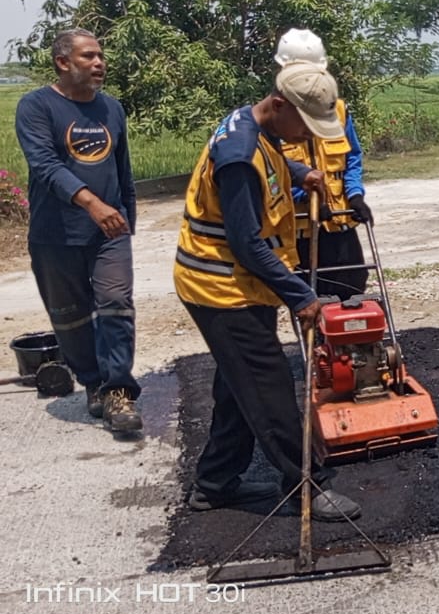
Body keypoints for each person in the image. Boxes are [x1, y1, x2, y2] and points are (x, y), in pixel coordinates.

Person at [173, 62, 360, 521]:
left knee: (238, 386)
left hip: (242, 285)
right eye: (303, 123)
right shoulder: (237, 155)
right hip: (221, 286)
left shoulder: (253, 123)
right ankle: (308, 485)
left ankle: (214, 484)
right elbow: (246, 241)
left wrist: (299, 172)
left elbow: (272, 155)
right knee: (269, 385)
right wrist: (300, 295)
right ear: (278, 104)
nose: (306, 134)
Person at [15, 28, 142, 433]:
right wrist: (92, 203)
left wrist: (126, 220)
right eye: (88, 56)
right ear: (63, 62)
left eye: (100, 55)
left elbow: (122, 170)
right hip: (56, 234)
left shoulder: (111, 110)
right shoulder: (36, 107)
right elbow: (46, 166)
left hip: (109, 231)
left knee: (116, 303)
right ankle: (94, 384)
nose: (99, 62)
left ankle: (119, 391)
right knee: (70, 317)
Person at [274, 28, 372, 300]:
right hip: (301, 225)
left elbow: (352, 156)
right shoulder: (277, 116)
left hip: (340, 221)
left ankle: (353, 342)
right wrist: (307, 195)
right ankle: (315, 342)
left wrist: (354, 195)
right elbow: (272, 173)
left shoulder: (338, 109)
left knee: (353, 285)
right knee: (310, 294)